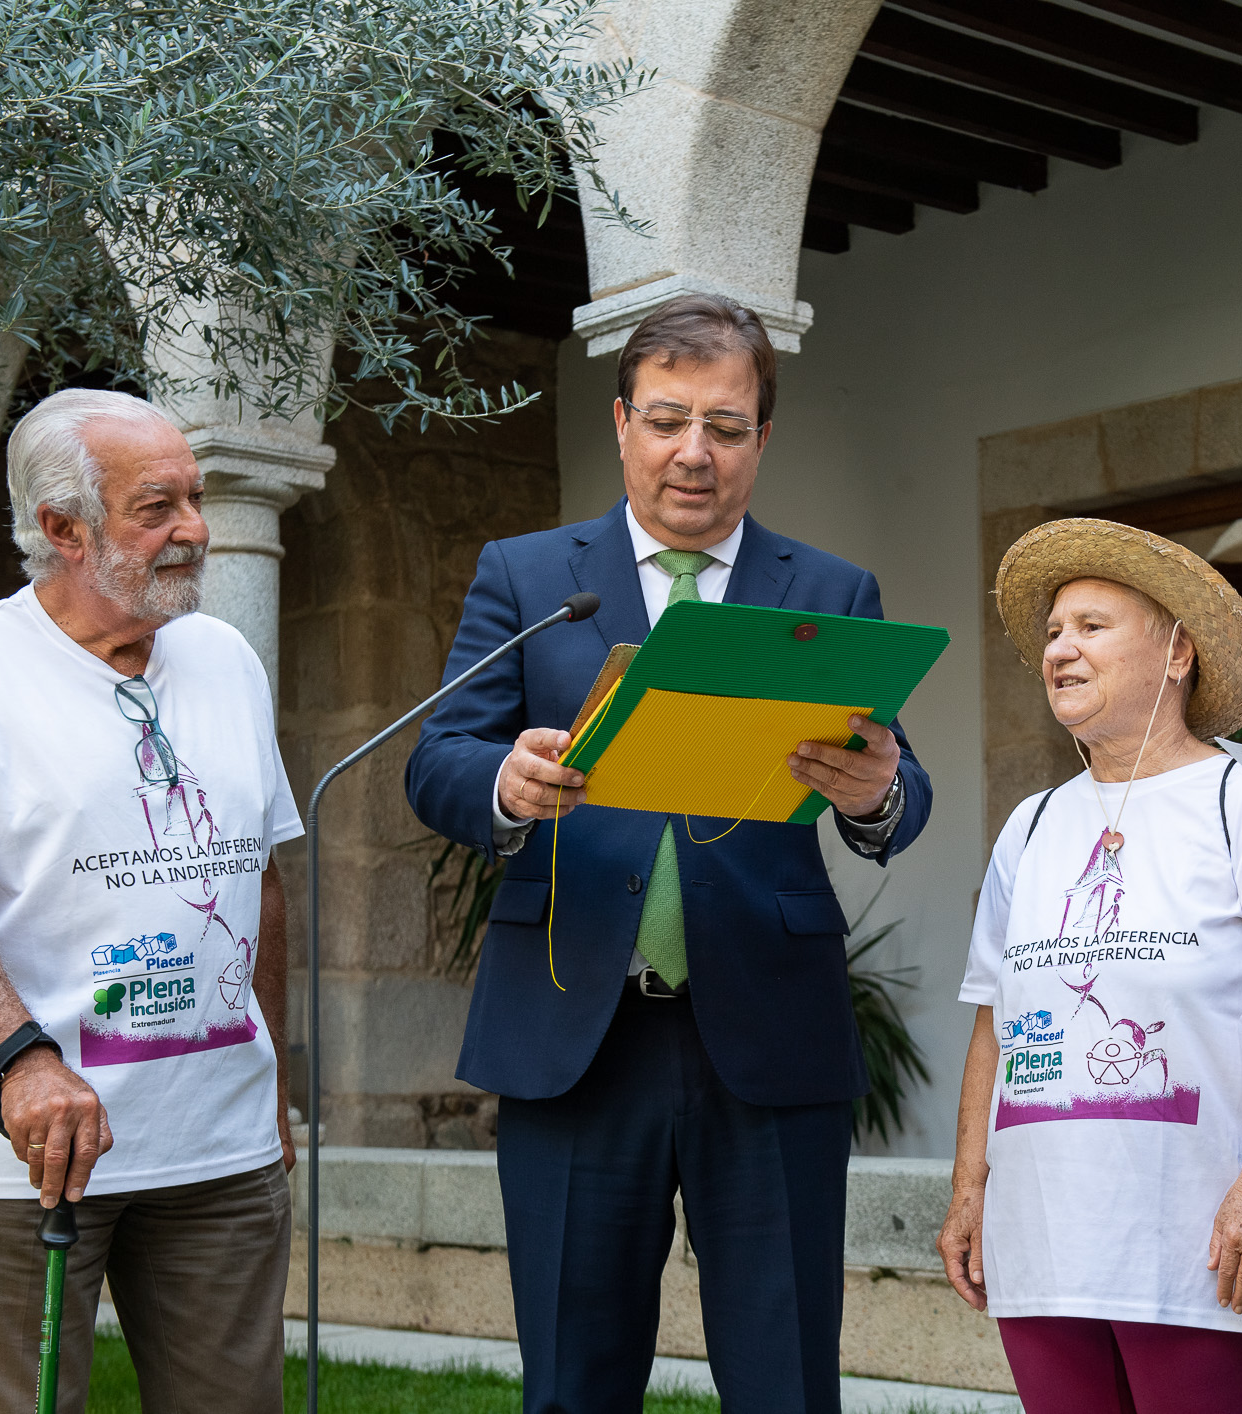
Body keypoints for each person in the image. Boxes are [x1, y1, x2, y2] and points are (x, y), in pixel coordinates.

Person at [403, 293, 933, 1414]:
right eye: (668, 420)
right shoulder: (530, 576)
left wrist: (878, 790)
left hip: (770, 1033)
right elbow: (438, 755)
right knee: (573, 1382)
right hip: (572, 1034)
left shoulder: (831, 590)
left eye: (727, 427)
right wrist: (503, 779)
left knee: (787, 1379)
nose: (694, 453)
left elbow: (903, 783)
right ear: (622, 423)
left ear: (762, 440)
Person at [0, 389, 301, 1414]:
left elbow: (259, 876)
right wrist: (22, 1060)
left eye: (195, 497)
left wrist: (271, 1065)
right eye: (159, 506)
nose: (195, 527)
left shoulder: (226, 659)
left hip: (218, 1150)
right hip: (33, 1151)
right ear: (63, 528)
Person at [935, 519, 1242, 1414]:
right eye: (1052, 632)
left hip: (1198, 1242)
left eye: (1091, 626)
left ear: (1177, 654)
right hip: (1043, 1239)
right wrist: (970, 1186)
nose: (1059, 649)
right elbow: (991, 1018)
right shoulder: (1032, 824)